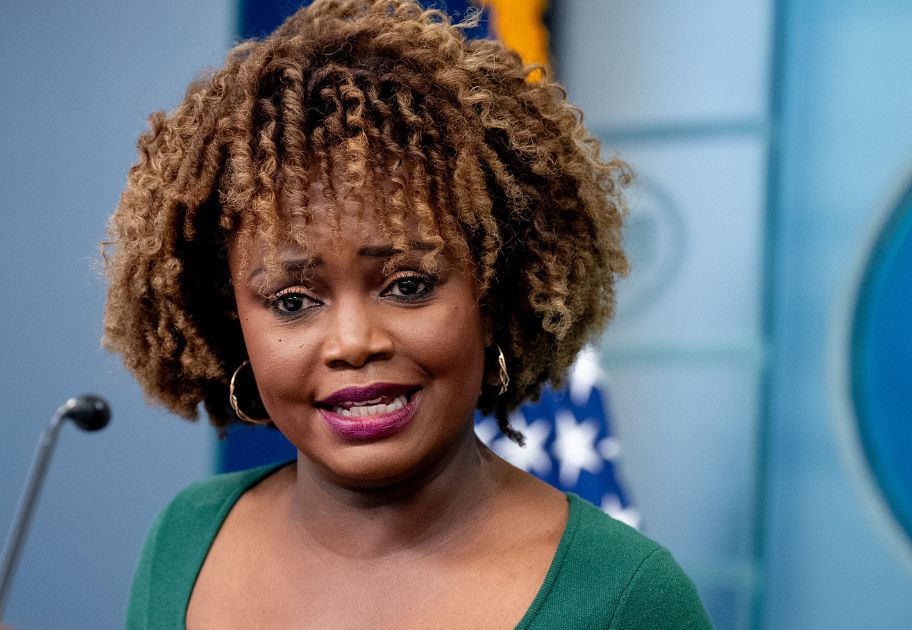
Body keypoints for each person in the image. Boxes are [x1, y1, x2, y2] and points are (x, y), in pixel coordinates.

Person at [102, 1, 711, 627]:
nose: (354, 342)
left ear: (494, 296)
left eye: (408, 285)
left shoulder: (624, 599)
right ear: (232, 320)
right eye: (292, 301)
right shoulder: (185, 541)